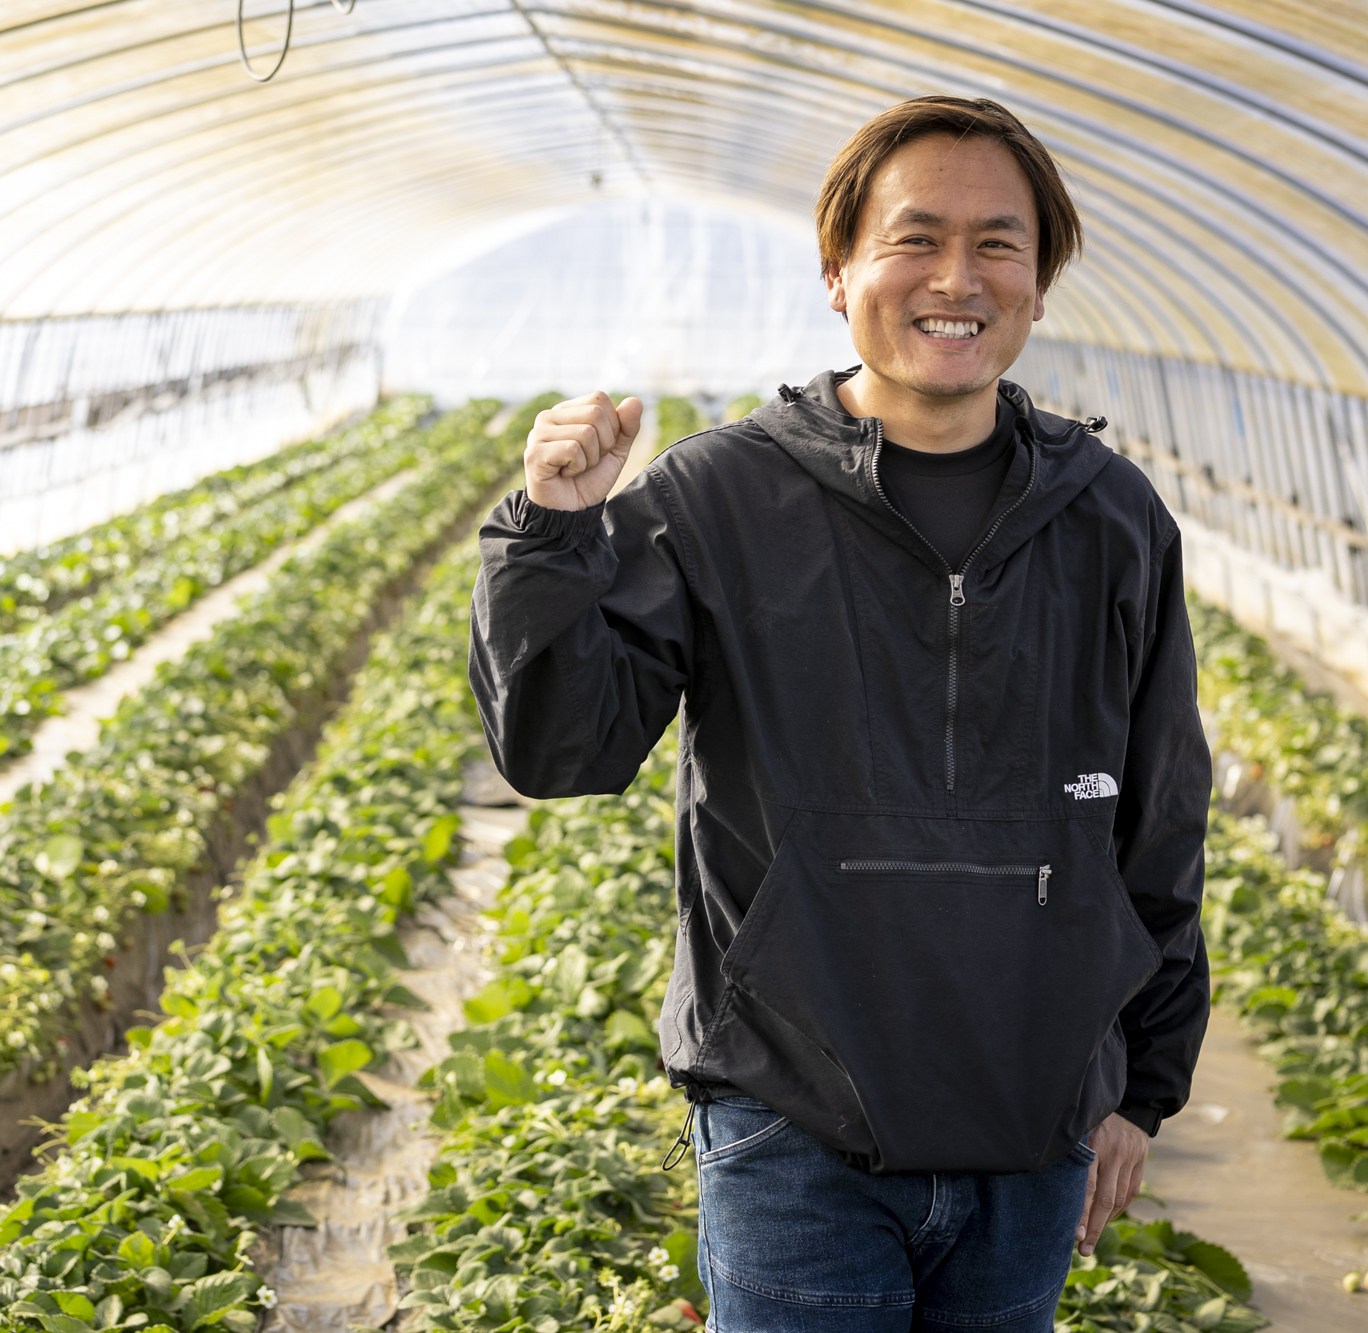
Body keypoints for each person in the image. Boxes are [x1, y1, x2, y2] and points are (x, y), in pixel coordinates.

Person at [468, 96, 1210, 1330]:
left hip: (1031, 1121)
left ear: (1040, 278)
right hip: (789, 1115)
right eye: (913, 239)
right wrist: (550, 536)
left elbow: (1158, 818)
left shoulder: (1110, 517)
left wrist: (1143, 1083)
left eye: (996, 244)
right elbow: (562, 748)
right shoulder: (722, 495)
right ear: (837, 270)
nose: (954, 279)